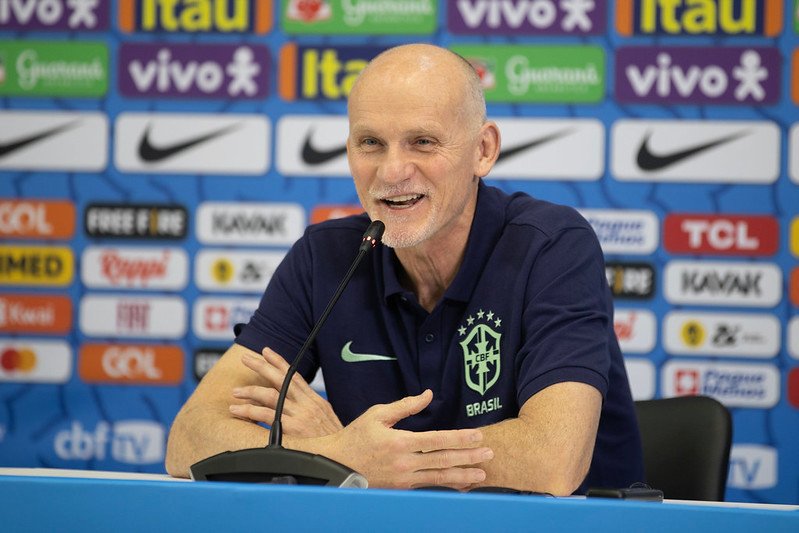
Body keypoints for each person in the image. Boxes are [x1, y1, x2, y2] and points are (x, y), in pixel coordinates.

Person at [166, 43, 643, 494]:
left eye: (423, 142)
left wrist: (364, 461)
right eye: (371, 143)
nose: (392, 171)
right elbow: (189, 439)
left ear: (483, 150)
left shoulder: (552, 245)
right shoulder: (325, 256)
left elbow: (554, 458)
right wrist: (338, 452)